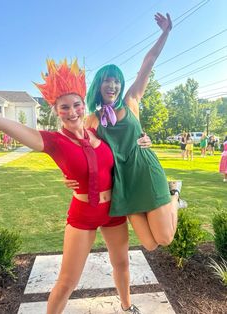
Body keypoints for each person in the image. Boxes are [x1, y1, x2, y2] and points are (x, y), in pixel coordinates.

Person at [0, 59, 142, 314]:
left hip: (113, 211)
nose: (72, 112)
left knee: (122, 264)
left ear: (84, 105)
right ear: (55, 110)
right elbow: (6, 123)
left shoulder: (97, 130)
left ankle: (128, 307)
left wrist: (143, 139)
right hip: (83, 215)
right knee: (67, 281)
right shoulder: (52, 141)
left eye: (76, 105)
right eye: (64, 107)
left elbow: (126, 147)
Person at [66, 13, 187, 252]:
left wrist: (165, 33)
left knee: (164, 238)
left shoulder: (131, 101)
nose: (113, 86)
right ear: (99, 86)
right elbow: (77, 151)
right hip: (123, 184)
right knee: (150, 245)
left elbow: (148, 63)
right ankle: (172, 195)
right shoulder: (91, 120)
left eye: (117, 81)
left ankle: (174, 194)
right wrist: (69, 176)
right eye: (107, 81)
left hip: (145, 171)